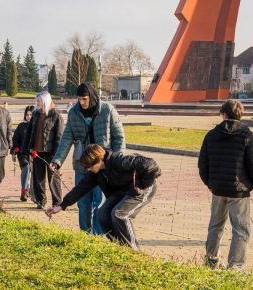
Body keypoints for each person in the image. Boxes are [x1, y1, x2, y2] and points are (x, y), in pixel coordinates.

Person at [45, 144, 161, 249]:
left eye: (89, 166)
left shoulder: (118, 161)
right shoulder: (96, 173)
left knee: (119, 214)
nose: (88, 169)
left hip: (142, 189)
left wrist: (141, 185)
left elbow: (152, 165)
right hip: (122, 191)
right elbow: (80, 188)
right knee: (103, 214)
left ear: (98, 161)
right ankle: (119, 246)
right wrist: (61, 205)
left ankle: (133, 251)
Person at [198, 99, 253, 271]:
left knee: (215, 226)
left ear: (224, 114)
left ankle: (211, 261)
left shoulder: (211, 135)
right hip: (239, 191)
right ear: (239, 114)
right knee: (241, 230)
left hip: (218, 189)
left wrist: (210, 184)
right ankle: (235, 266)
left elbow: (202, 165)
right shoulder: (246, 135)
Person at [50, 82, 125, 234]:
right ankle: (85, 234)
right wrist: (57, 160)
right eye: (79, 99)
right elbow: (66, 138)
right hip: (82, 165)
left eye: (84, 99)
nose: (82, 102)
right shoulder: (74, 113)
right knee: (83, 203)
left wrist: (116, 162)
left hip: (102, 166)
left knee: (100, 203)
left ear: (91, 96)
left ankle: (97, 235)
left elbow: (119, 138)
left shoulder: (107, 110)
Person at [23, 91, 64, 209]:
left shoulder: (56, 115)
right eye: (37, 101)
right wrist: (26, 149)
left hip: (52, 153)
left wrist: (57, 157)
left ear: (45, 101)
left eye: (39, 101)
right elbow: (29, 133)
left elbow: (59, 137)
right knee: (38, 178)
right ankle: (40, 201)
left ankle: (57, 202)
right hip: (37, 152)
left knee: (53, 178)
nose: (37, 103)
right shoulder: (35, 114)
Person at [11, 105, 34, 201]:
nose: (28, 116)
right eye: (27, 115)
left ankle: (32, 192)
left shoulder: (36, 126)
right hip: (22, 154)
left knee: (33, 173)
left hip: (34, 154)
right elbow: (15, 140)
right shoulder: (21, 126)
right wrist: (14, 152)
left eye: (31, 115)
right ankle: (24, 192)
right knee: (26, 167)